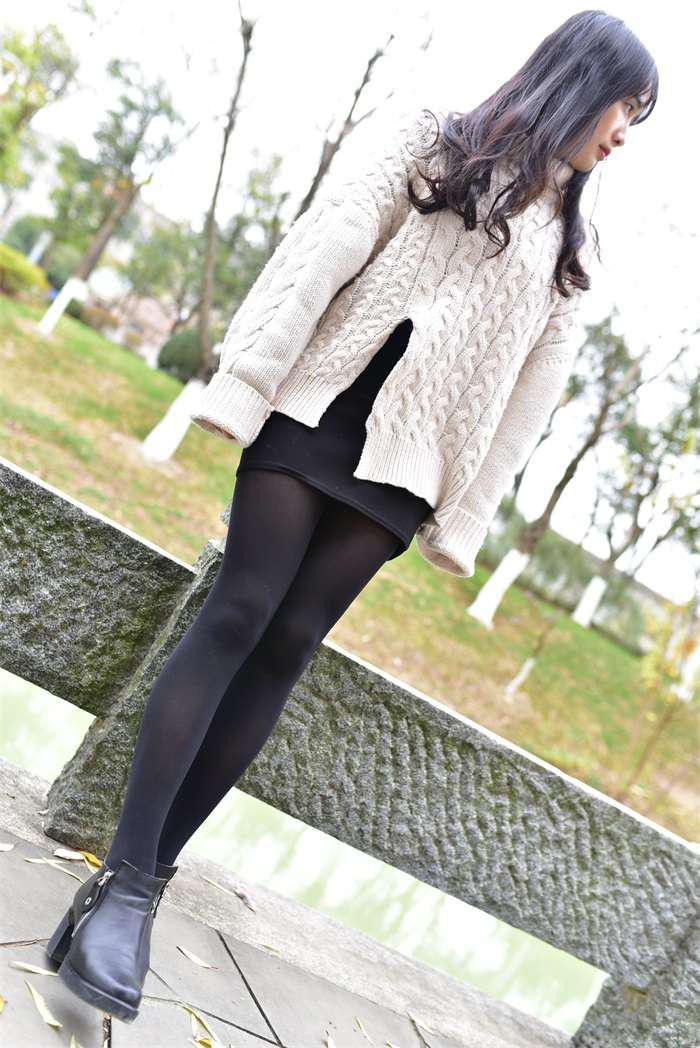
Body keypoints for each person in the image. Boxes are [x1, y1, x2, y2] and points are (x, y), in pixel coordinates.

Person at [46, 9, 657, 1025]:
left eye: (639, 118)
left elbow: (526, 405)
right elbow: (323, 247)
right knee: (238, 613)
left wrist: (465, 516)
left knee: (287, 644)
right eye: (623, 108)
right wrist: (248, 379)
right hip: (317, 406)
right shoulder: (433, 138)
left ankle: (139, 891)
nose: (625, 134)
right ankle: (124, 883)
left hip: (406, 468)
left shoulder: (571, 252)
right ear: (579, 81)